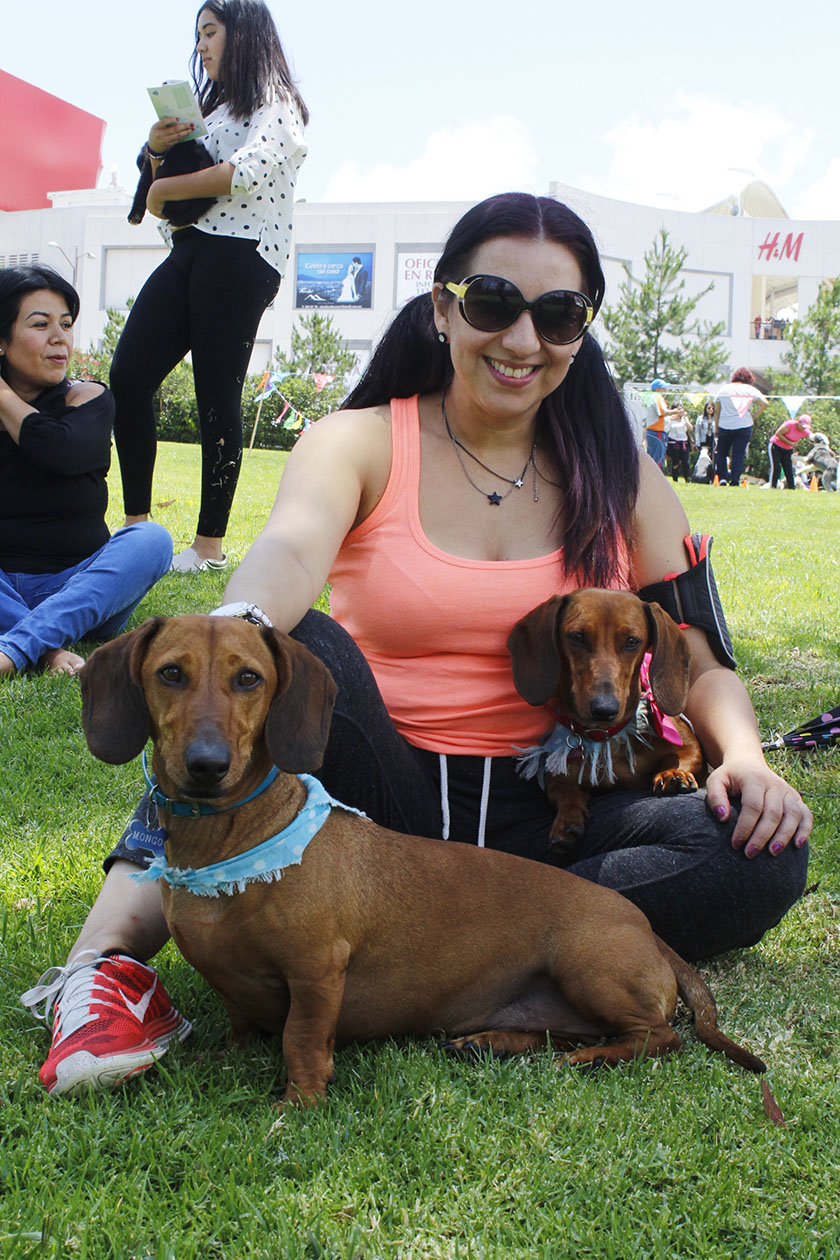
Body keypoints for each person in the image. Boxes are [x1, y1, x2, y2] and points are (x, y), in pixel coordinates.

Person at [21, 193, 811, 1096]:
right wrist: (243, 621)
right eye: (493, 302)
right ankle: (105, 968)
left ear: (581, 331)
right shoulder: (358, 441)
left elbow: (700, 655)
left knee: (759, 852)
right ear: (443, 306)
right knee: (278, 649)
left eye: (558, 315)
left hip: (550, 808)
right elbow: (288, 555)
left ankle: (486, 949)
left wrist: (746, 757)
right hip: (377, 796)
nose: (523, 338)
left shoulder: (619, 472)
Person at [109, 0, 308, 574]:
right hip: (191, 249)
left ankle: (208, 547)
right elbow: (176, 178)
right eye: (198, 35)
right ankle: (136, 528)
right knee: (128, 376)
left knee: (215, 392)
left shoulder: (278, 103)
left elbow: (245, 171)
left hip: (243, 254)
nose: (201, 46)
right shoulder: (214, 109)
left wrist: (161, 193)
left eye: (211, 32)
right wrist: (155, 150)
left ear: (242, 34)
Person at [0, 265, 172, 679]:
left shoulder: (87, 397)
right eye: (40, 324)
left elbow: (57, 451)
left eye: (65, 324)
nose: (60, 337)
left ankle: (16, 645)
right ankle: (47, 649)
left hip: (81, 589)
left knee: (151, 539)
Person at [714, 367, 767, 486]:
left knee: (721, 453)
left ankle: (722, 478)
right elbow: (764, 403)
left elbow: (717, 410)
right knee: (738, 455)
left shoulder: (724, 389)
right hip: (744, 425)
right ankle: (734, 480)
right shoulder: (750, 389)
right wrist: (754, 416)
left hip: (725, 425)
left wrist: (716, 427)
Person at [645, 379, 683, 469]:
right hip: (657, 431)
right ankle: (656, 477)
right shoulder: (657, 397)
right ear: (657, 389)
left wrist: (672, 417)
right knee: (658, 460)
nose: (666, 390)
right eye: (664, 388)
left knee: (653, 458)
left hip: (652, 431)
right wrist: (676, 411)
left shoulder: (651, 398)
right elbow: (662, 412)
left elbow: (658, 416)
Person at [768, 413, 812, 489]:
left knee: (789, 469)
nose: (803, 429)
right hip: (776, 446)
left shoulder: (805, 431)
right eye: (802, 426)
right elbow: (778, 434)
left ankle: (792, 488)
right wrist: (790, 443)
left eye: (805, 427)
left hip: (788, 449)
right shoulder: (790, 424)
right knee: (776, 468)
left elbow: (812, 438)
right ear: (798, 422)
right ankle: (772, 486)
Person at [665, 406, 693, 482]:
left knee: (686, 461)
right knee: (675, 462)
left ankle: (687, 477)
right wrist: (672, 417)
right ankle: (675, 478)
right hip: (674, 443)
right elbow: (666, 428)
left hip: (684, 442)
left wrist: (685, 418)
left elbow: (690, 428)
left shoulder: (684, 419)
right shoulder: (670, 419)